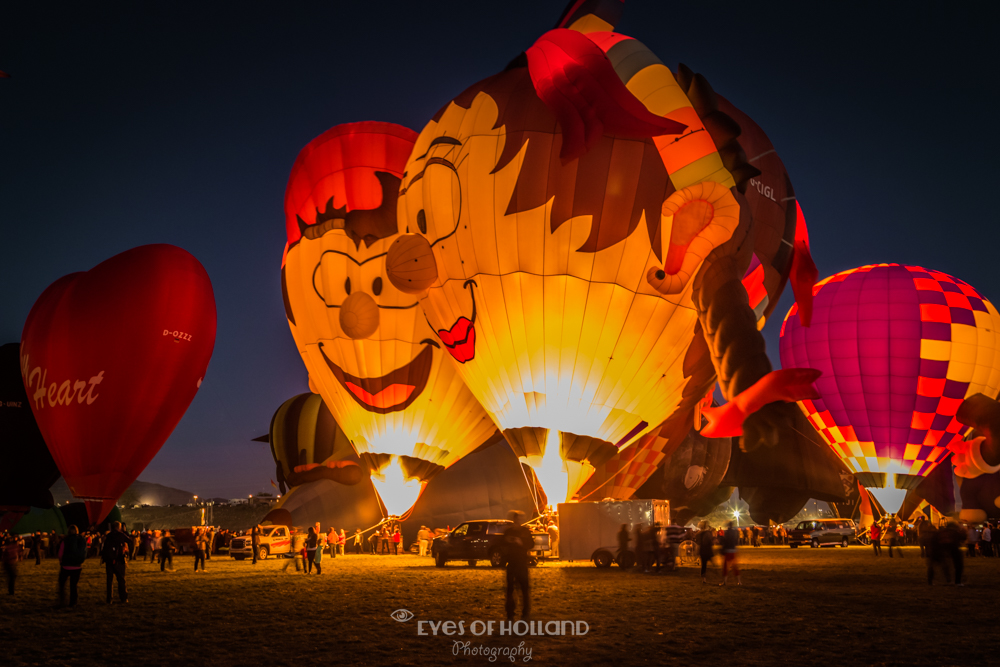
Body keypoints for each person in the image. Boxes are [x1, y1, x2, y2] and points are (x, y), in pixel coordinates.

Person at [503, 511, 532, 621]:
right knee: (510, 589)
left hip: (521, 563)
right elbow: (502, 543)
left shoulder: (525, 531)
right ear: (515, 519)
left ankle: (525, 611)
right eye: (519, 518)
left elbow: (530, 544)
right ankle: (510, 612)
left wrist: (521, 543)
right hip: (512, 563)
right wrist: (508, 540)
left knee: (524, 589)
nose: (520, 521)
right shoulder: (509, 532)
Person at [58, 525, 87, 607]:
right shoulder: (81, 540)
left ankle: (62, 600)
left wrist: (61, 560)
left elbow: (60, 553)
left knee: (62, 584)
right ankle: (73, 602)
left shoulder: (65, 540)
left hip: (66, 566)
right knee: (73, 585)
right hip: (77, 566)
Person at [101, 521, 130, 604]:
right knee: (121, 580)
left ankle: (109, 599)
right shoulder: (121, 535)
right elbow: (129, 541)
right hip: (119, 560)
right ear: (119, 527)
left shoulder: (109, 535)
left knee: (109, 581)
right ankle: (123, 598)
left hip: (109, 560)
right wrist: (124, 532)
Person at [720, 521, 741, 586]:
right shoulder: (735, 532)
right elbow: (736, 541)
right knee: (734, 566)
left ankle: (725, 582)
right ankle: (739, 581)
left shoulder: (727, 532)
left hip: (728, 550)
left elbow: (726, 541)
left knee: (725, 566)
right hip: (733, 550)